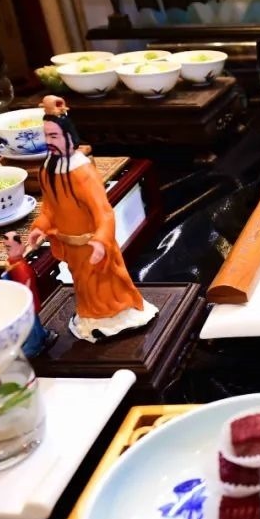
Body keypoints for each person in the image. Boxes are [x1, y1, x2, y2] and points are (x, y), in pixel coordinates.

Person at [26, 96, 157, 341]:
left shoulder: (82, 171)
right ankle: (92, 317)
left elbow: (103, 211)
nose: (49, 142)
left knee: (105, 283)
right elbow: (50, 208)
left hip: (93, 243)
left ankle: (114, 317)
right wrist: (40, 227)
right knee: (82, 284)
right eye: (46, 136)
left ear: (69, 136)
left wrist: (100, 241)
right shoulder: (46, 169)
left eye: (54, 136)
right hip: (72, 245)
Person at [2, 231, 56, 356]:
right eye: (7, 248)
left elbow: (26, 285)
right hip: (23, 300)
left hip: (26, 302)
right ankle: (42, 335)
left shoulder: (21, 268)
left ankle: (35, 345)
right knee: (33, 321)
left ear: (21, 247)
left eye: (10, 247)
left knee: (30, 323)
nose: (8, 251)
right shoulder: (13, 263)